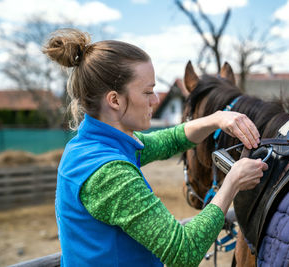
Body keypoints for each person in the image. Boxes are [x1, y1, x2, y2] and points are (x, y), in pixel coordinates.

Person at [43, 28, 268, 267]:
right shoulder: (108, 173)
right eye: (148, 92)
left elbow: (171, 140)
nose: (156, 100)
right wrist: (232, 182)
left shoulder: (93, 146)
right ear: (115, 100)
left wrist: (218, 118)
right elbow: (184, 251)